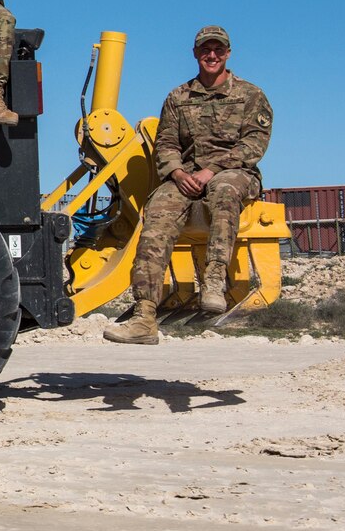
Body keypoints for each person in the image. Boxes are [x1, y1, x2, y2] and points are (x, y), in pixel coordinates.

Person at [106, 26, 273, 344]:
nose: (212, 55)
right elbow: (165, 142)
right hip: (186, 176)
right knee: (157, 210)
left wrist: (211, 170)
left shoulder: (250, 95)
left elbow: (254, 144)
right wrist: (179, 174)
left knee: (224, 191)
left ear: (228, 54)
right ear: (195, 53)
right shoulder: (178, 98)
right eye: (206, 50)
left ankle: (213, 277)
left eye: (218, 50)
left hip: (234, 172)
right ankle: (144, 316)